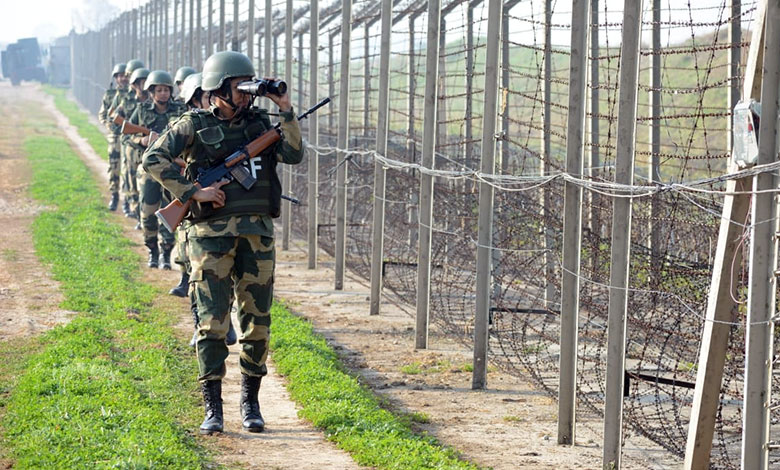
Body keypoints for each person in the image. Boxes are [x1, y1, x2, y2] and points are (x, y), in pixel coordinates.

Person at [143, 51, 302, 435]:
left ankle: (251, 402)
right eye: (239, 86)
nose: (247, 93)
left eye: (249, 86)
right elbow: (153, 158)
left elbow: (294, 153)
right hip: (209, 239)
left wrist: (285, 109)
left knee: (257, 325)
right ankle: (213, 407)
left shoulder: (263, 122)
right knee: (212, 324)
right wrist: (192, 191)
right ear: (218, 89)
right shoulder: (192, 124)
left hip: (256, 238)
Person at [167, 71, 236, 349]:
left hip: (222, 208)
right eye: (203, 97)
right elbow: (166, 158)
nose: (208, 102)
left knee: (225, 272)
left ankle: (225, 320)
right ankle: (200, 325)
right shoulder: (184, 126)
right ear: (194, 99)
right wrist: (195, 185)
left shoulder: (227, 124)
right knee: (197, 274)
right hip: (192, 210)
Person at [126, 70, 184, 268]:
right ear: (151, 92)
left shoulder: (180, 110)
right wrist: (141, 139)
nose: (163, 94)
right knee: (148, 211)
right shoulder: (142, 111)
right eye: (158, 90)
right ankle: (152, 250)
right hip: (148, 170)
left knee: (170, 212)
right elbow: (126, 135)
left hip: (172, 169)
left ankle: (166, 253)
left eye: (166, 90)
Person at [116, 65, 150, 228]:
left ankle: (148, 218)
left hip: (151, 150)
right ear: (135, 84)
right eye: (140, 82)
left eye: (146, 82)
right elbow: (117, 121)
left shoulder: (154, 102)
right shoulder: (128, 101)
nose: (143, 85)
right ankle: (138, 215)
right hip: (132, 147)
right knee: (133, 183)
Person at [112, 59, 144, 217]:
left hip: (145, 143)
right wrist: (124, 131)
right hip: (128, 142)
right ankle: (128, 201)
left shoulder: (150, 97)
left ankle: (140, 209)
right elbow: (114, 118)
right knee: (127, 172)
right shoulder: (125, 97)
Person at [98, 62, 128, 211]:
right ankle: (115, 195)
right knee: (114, 166)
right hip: (115, 136)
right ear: (116, 78)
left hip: (130, 136)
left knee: (129, 169)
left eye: (125, 76)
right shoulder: (110, 95)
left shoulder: (134, 95)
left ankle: (129, 200)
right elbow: (103, 114)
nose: (123, 79)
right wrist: (108, 124)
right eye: (120, 76)